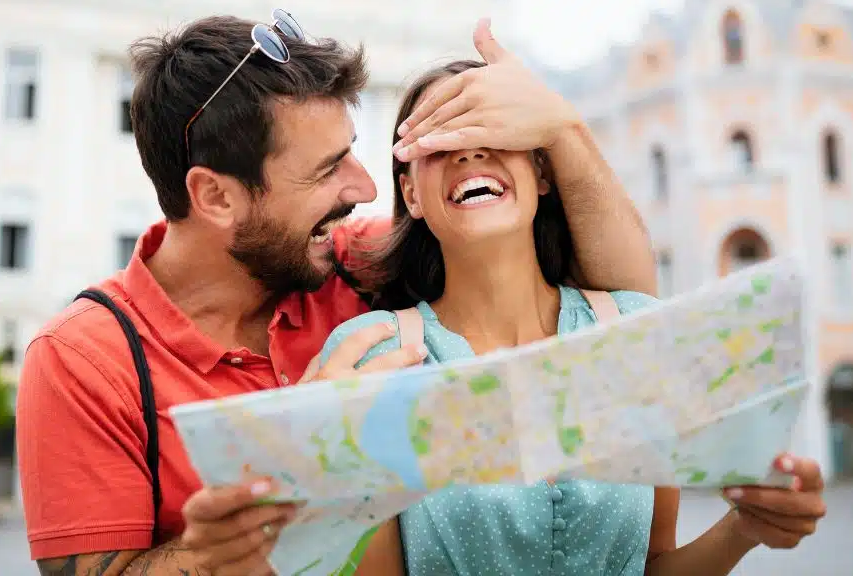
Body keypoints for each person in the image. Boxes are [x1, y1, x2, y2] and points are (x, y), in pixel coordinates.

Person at [17, 11, 657, 576]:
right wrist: (231, 538)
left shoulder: (351, 263)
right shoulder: (84, 360)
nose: (365, 189)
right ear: (217, 196)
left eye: (352, 154)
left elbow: (619, 291)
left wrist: (563, 130)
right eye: (328, 170)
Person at [303, 58, 826, 575]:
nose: (471, 150)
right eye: (439, 139)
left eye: (494, 129)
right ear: (412, 193)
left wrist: (745, 529)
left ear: (542, 171)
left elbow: (654, 565)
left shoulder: (636, 331)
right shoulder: (371, 359)